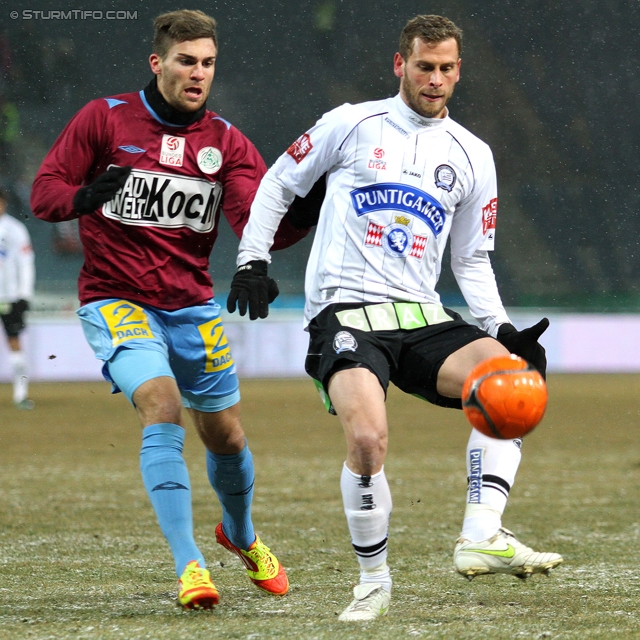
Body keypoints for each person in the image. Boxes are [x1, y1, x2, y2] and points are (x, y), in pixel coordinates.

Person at [228, 14, 563, 621]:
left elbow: (471, 257)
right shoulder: (350, 123)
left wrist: (502, 330)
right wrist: (252, 258)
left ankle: (482, 536)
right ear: (399, 64)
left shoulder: (473, 154)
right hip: (346, 311)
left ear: (459, 71)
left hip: (424, 315)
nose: (434, 79)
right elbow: (277, 185)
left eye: (446, 68)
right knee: (366, 440)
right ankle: (372, 580)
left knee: (515, 385)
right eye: (424, 66)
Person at [31, 9, 317, 610]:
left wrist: (299, 221)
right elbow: (45, 193)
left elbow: (255, 219)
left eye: (208, 63)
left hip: (191, 306)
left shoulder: (227, 143)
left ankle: (239, 535)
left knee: (227, 437)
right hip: (114, 297)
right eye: (187, 61)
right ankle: (191, 566)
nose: (198, 73)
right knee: (161, 405)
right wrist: (83, 196)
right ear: (157, 62)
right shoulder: (103, 119)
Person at [0, 188, 35, 410]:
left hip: (9, 296)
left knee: (14, 341)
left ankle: (20, 394)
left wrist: (24, 294)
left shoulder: (15, 228)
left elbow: (25, 261)